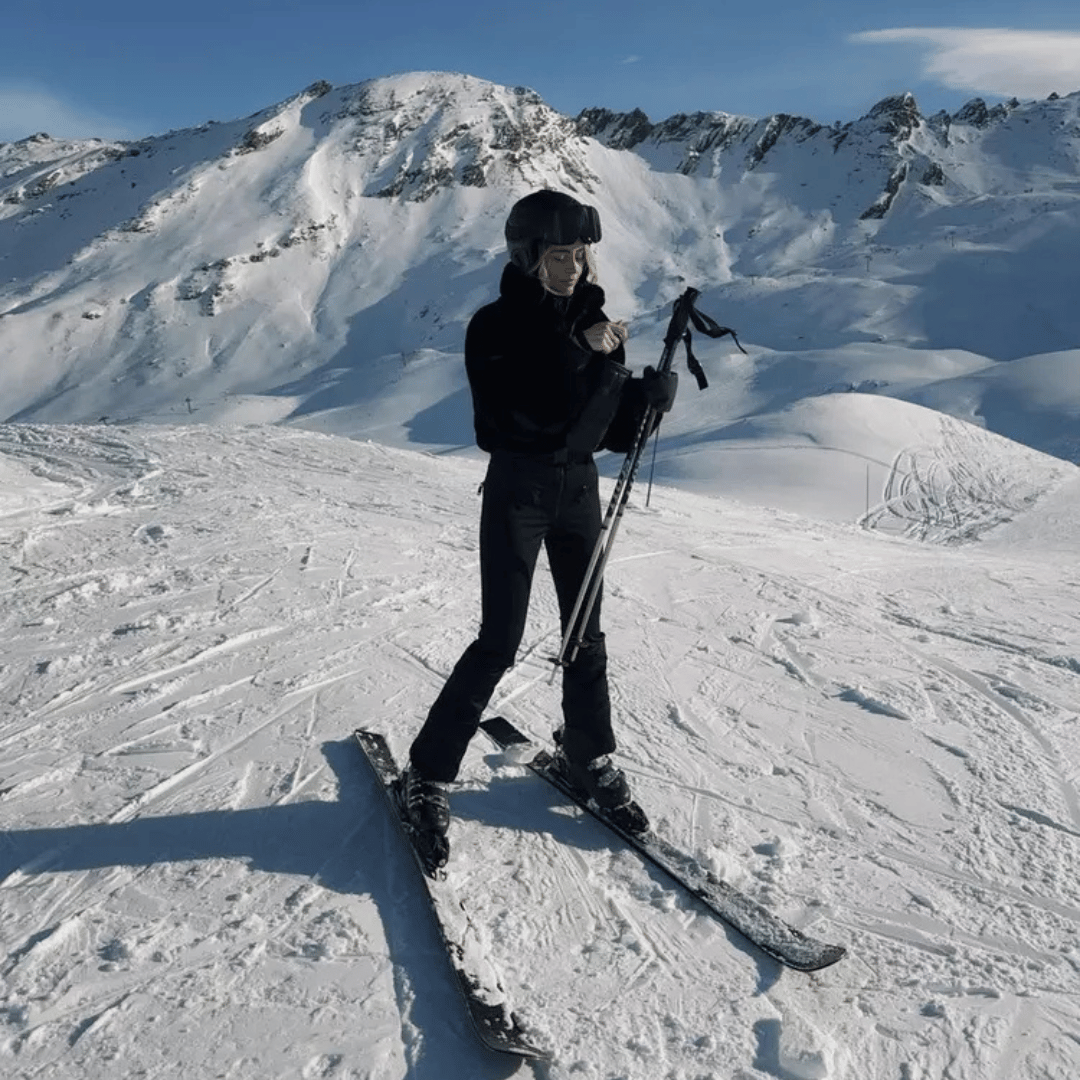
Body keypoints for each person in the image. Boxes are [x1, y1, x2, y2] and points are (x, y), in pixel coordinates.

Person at [401, 189, 677, 848]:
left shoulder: (593, 319)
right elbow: (510, 414)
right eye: (559, 254)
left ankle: (588, 754)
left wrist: (644, 398)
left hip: (578, 488)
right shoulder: (494, 326)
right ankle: (427, 772)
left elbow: (603, 432)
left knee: (585, 631)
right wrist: (580, 352)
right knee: (499, 638)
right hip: (517, 493)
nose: (574, 266)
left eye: (580, 252)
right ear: (528, 257)